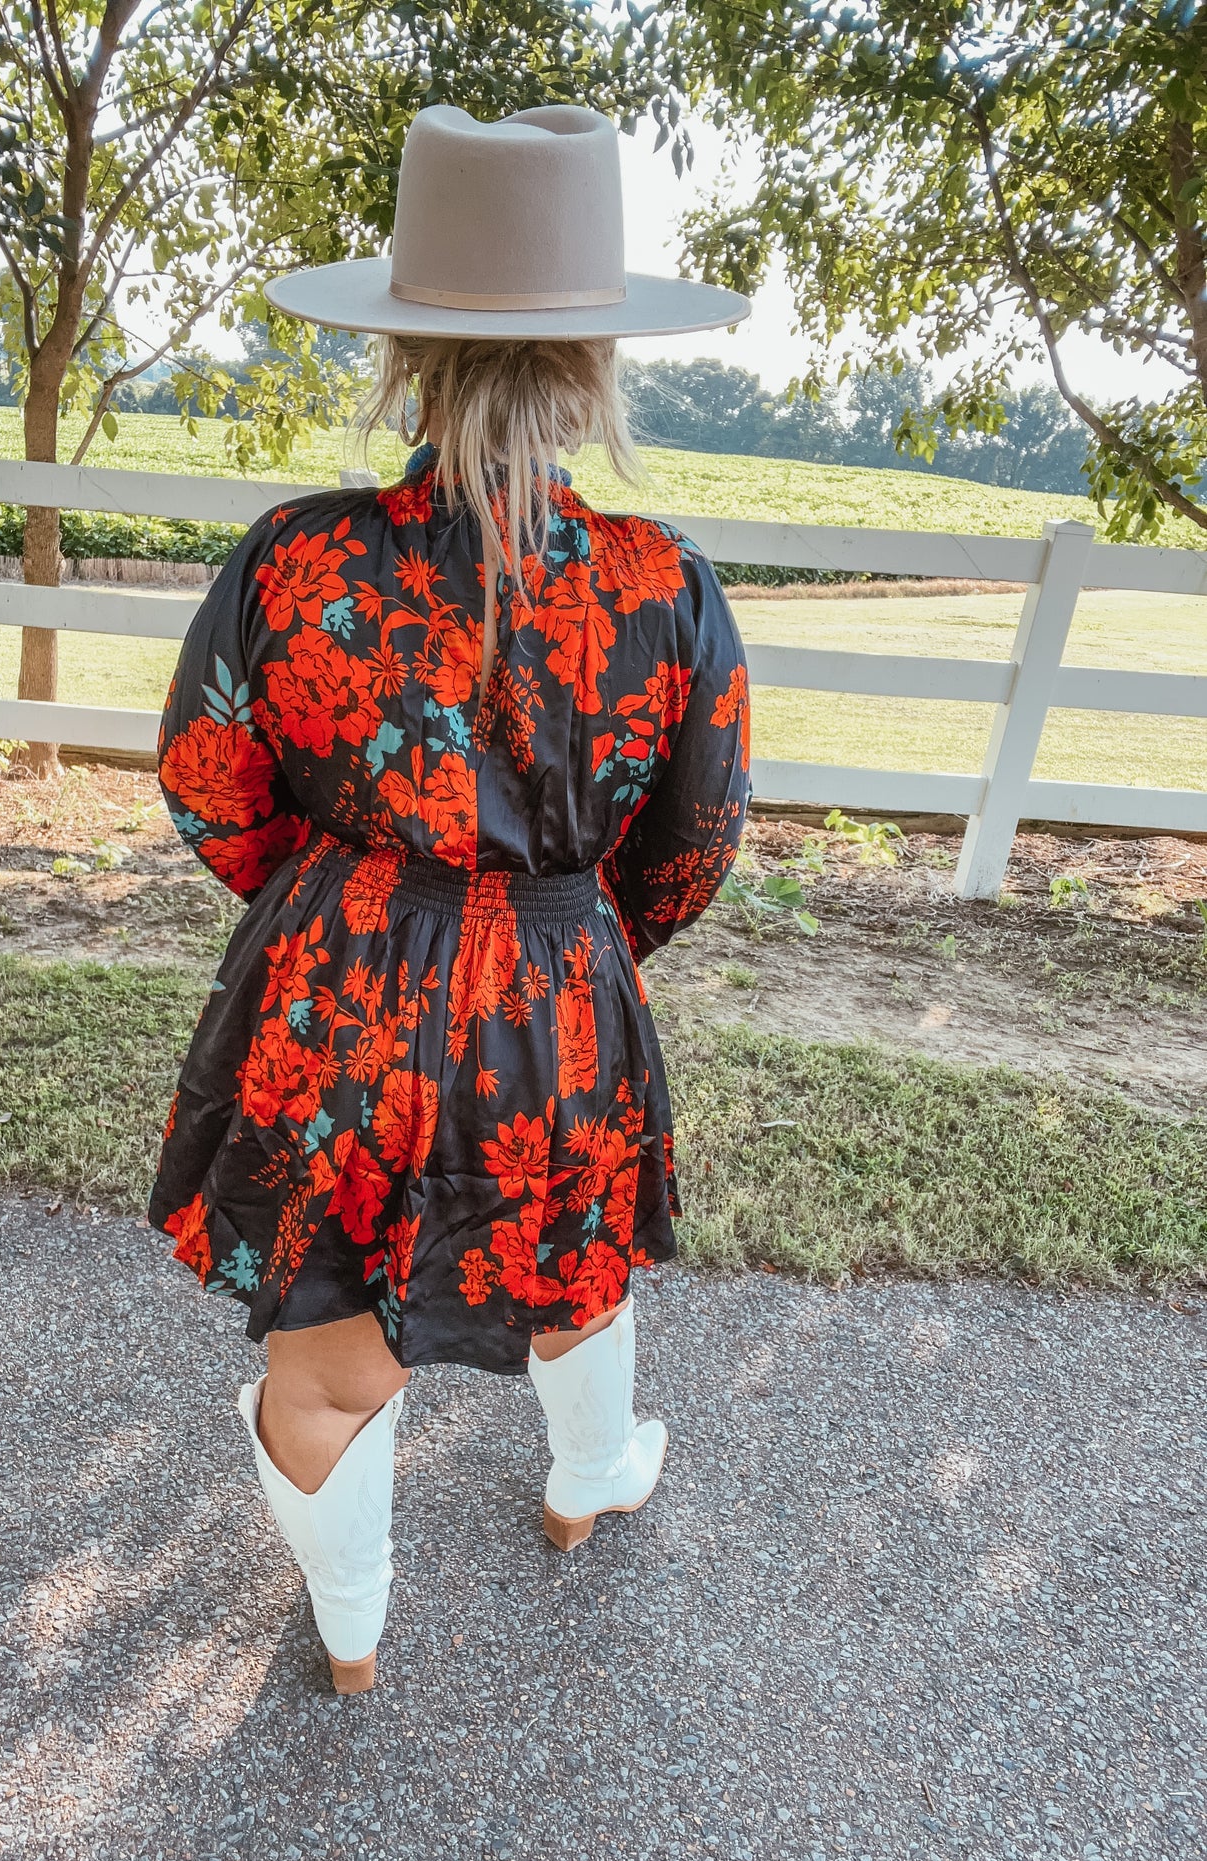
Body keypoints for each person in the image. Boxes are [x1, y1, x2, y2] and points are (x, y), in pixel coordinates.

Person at [148, 102, 752, 1693]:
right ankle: (582, 1481)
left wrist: (336, 903)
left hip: (334, 991)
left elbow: (210, 782)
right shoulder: (661, 584)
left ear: (404, 357)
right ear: (593, 369)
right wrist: (564, 929)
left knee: (330, 1356)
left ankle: (351, 1631)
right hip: (559, 991)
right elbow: (691, 846)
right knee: (565, 1257)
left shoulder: (296, 562)